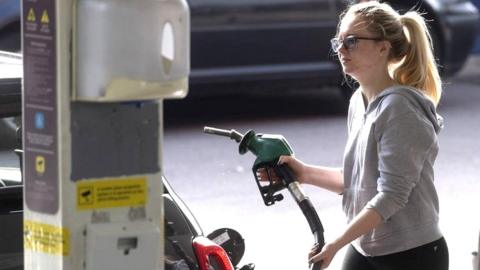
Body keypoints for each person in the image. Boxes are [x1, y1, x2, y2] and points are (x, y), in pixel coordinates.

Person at [262, 1, 449, 269]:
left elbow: (392, 195)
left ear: (383, 47)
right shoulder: (359, 102)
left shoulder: (400, 108)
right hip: (367, 247)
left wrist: (336, 244)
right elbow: (358, 181)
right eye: (338, 42)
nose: (341, 50)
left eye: (351, 41)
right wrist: (302, 173)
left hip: (412, 253)